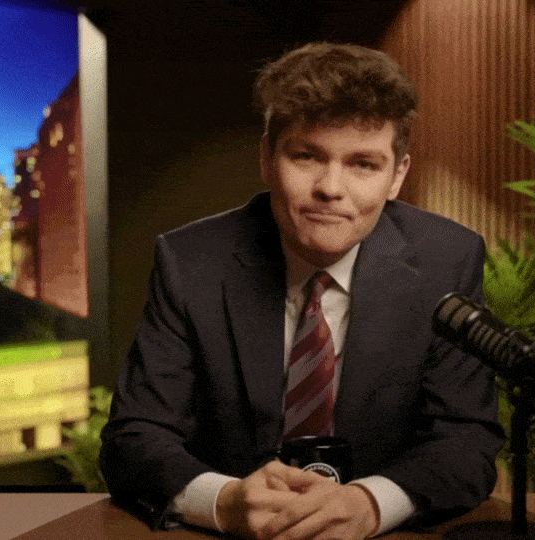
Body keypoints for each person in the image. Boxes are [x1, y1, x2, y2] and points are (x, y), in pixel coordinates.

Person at [99, 42, 504, 540]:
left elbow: (466, 440)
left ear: (397, 176)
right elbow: (134, 437)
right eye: (306, 156)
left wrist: (370, 505)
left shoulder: (448, 260)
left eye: (363, 164)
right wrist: (224, 502)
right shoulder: (191, 261)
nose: (330, 188)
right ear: (267, 159)